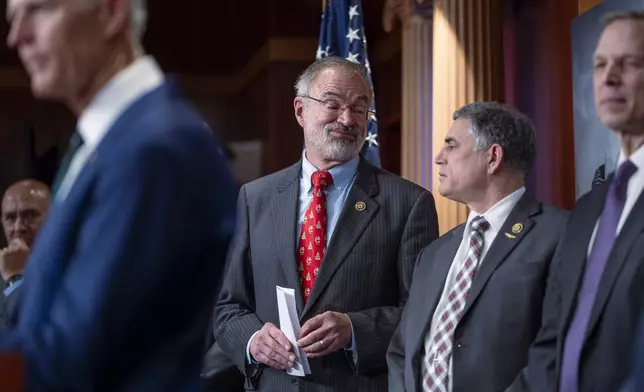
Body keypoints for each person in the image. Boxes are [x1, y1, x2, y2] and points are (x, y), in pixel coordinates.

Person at [4, 0, 237, 390]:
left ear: (112, 12)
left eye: (39, 9)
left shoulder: (154, 149)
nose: (17, 37)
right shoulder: (106, 143)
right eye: (13, 18)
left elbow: (68, 360)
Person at [214, 56, 439, 391]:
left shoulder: (409, 203)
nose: (347, 119)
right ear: (300, 110)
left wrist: (355, 329)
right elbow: (229, 305)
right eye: (332, 104)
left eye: (359, 109)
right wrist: (251, 340)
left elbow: (424, 314)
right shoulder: (255, 197)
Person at [386, 102, 569, 392]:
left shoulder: (561, 235)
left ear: (493, 157)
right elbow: (401, 351)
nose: (438, 158)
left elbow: (561, 347)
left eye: (451, 146)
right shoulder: (433, 254)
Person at [508, 10, 644, 392]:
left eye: (630, 63)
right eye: (600, 64)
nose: (609, 77)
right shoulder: (588, 208)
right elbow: (552, 341)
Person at [0, 180, 51, 328]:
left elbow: (28, 331)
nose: (18, 228)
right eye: (10, 218)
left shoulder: (71, 272)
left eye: (30, 215)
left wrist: (14, 278)